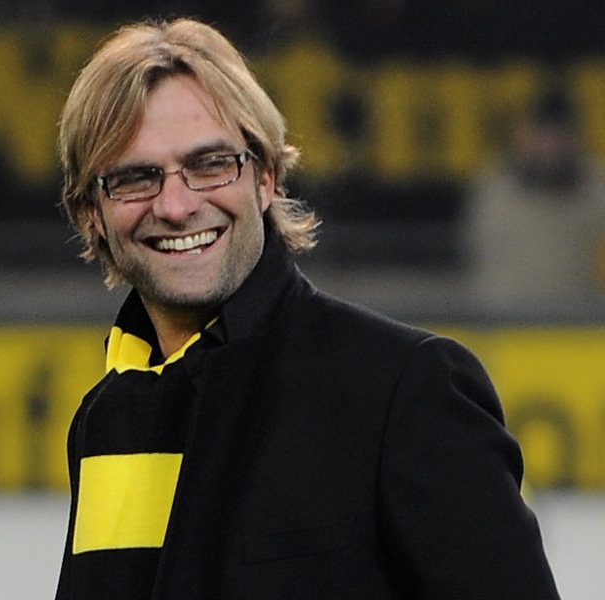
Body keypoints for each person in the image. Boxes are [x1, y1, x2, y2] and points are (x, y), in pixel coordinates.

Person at [55, 17, 560, 599]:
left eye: (210, 164)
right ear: (91, 213)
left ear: (265, 178)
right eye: (135, 177)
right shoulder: (103, 418)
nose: (175, 205)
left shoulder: (404, 388)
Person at [463, 85, 605, 316]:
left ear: (572, 138)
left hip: (571, 322)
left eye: (554, 136)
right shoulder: (496, 185)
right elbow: (475, 254)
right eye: (537, 135)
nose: (545, 146)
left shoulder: (592, 184)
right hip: (504, 320)